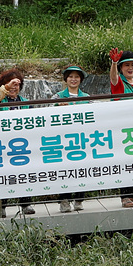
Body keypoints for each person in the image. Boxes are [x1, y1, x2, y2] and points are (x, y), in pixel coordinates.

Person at [0, 69, 34, 217]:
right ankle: (2, 206)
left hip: (22, 144)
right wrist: (6, 87)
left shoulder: (24, 102)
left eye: (17, 84)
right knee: (4, 175)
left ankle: (26, 203)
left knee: (23, 174)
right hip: (3, 144)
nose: (14, 87)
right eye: (11, 84)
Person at [109, 49, 133, 208]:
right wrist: (114, 63)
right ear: (121, 67)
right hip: (124, 129)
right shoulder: (119, 83)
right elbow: (113, 77)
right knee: (126, 161)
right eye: (126, 65)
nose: (130, 68)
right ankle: (125, 195)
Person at [55, 66, 91, 213]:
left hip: (81, 140)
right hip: (63, 141)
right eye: (70, 76)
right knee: (64, 171)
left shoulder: (87, 98)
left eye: (77, 77)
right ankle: (64, 200)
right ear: (66, 79)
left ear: (81, 80)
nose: (74, 79)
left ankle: (79, 199)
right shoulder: (57, 97)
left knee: (81, 170)